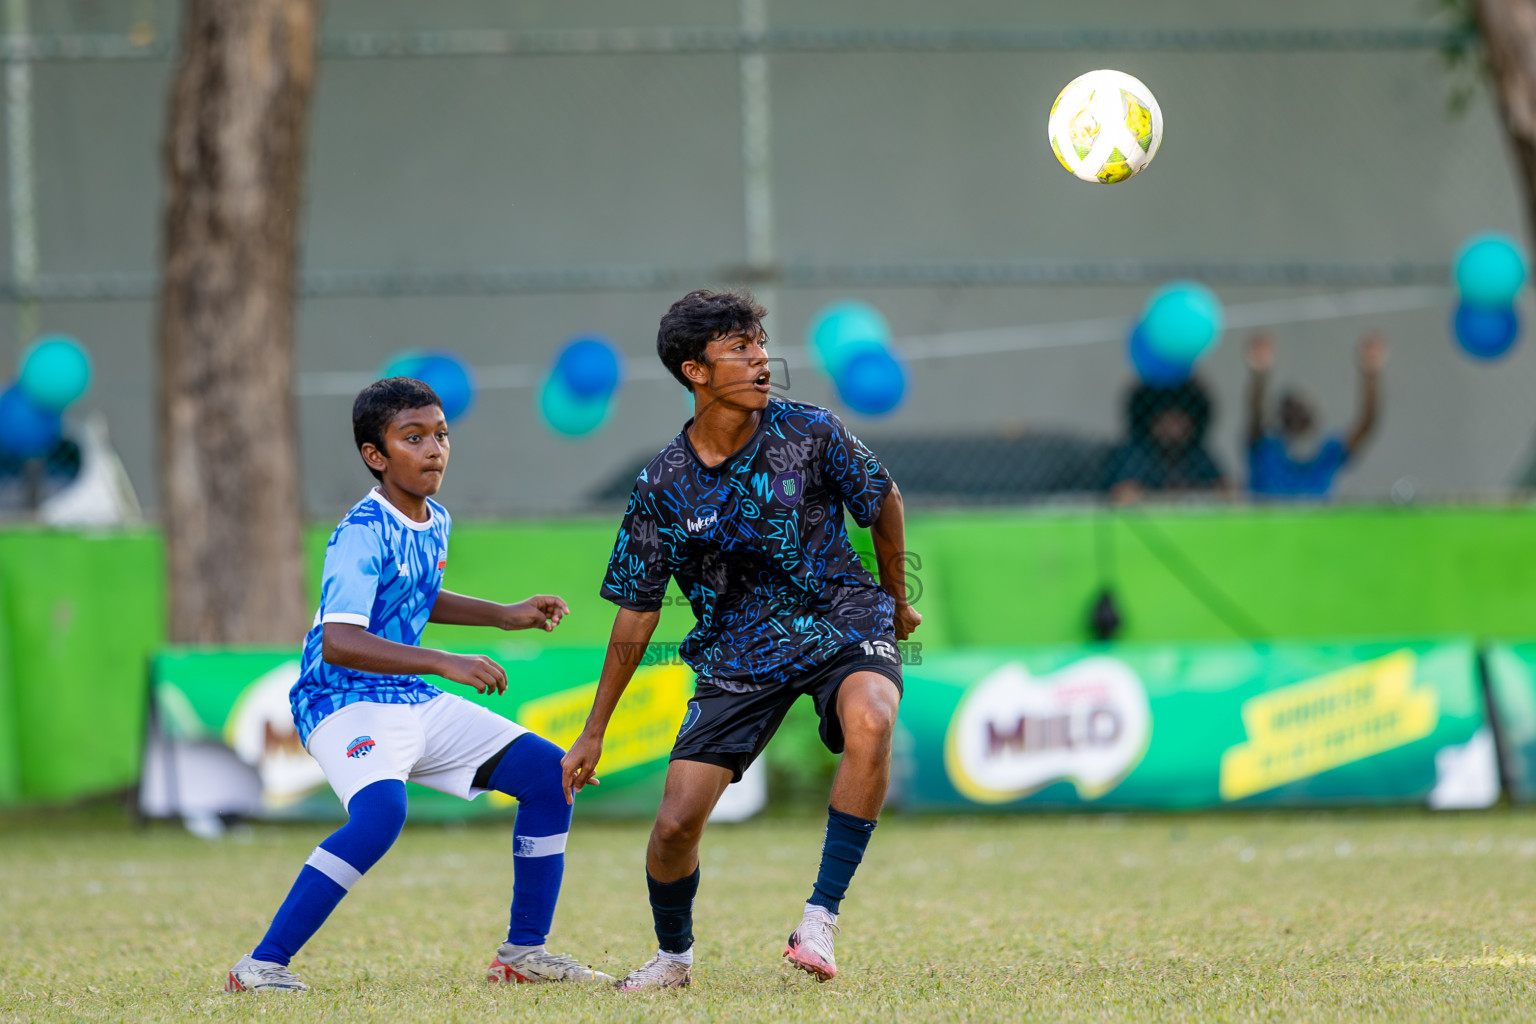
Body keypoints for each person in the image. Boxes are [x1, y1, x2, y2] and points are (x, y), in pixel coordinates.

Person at [560, 289, 920, 990]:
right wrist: (594, 731)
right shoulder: (660, 485)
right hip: (738, 653)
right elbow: (637, 614)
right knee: (673, 828)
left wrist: (896, 599)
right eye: (740, 348)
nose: (761, 359)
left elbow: (886, 501)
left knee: (872, 716)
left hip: (841, 617)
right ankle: (672, 960)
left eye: (759, 343)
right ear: (695, 371)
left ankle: (820, 918)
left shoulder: (813, 432)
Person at [225, 377, 612, 993]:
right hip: (342, 699)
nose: (434, 449)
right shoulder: (360, 531)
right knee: (380, 814)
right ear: (374, 456)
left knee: (551, 776)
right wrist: (443, 662)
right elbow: (340, 640)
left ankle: (522, 955)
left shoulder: (435, 520)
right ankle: (262, 965)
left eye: (441, 435)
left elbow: (416, 594)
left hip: (412, 699)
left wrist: (505, 613)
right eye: (413, 438)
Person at [1244, 332, 1385, 498]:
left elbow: (1367, 422)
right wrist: (1260, 376)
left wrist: (1370, 376)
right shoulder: (1266, 448)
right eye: (1292, 415)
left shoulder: (1327, 452)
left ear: (1314, 419)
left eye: (1302, 415)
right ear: (1281, 418)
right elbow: (1255, 412)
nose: (1297, 419)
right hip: (1266, 523)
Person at [1102, 377, 1228, 503]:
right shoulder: (1136, 453)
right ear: (1150, 422)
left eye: (1179, 421)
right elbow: (1121, 491)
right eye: (1165, 420)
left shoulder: (1197, 454)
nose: (1173, 430)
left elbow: (1222, 487)